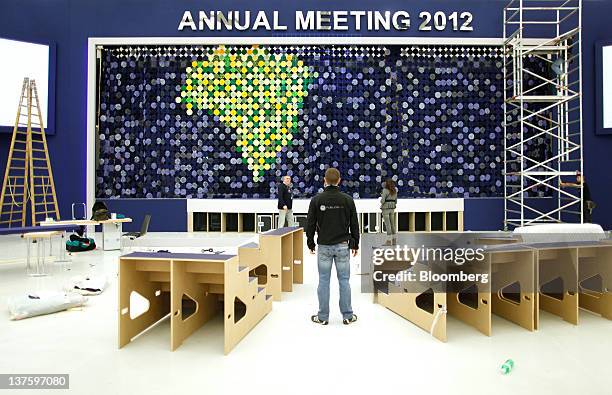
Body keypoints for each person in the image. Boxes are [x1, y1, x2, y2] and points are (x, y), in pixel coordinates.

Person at [306, 168, 360, 326]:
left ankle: (323, 317)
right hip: (343, 245)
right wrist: (355, 242)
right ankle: (348, 315)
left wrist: (310, 242)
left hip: (324, 246)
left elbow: (310, 223)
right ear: (339, 180)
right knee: (344, 281)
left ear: (324, 180)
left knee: (323, 281)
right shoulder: (348, 200)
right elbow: (354, 224)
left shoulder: (316, 200)